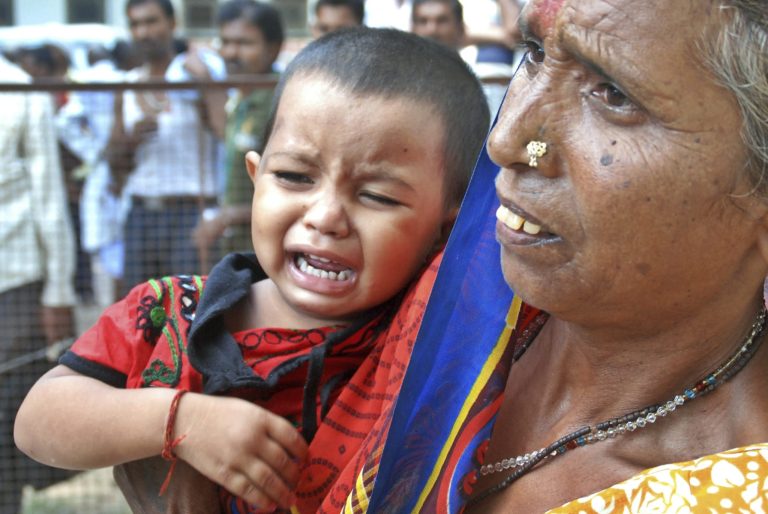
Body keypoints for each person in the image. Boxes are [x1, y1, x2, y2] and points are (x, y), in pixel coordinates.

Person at [14, 27, 490, 514]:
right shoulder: (171, 313)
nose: (324, 216)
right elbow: (37, 419)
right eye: (294, 176)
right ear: (255, 178)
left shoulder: (438, 341)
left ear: (444, 232)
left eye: (377, 196)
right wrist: (179, 421)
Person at [362, 0, 768, 512]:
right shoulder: (461, 284)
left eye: (613, 94)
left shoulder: (729, 492)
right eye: (532, 52)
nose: (507, 138)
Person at [0, 53, 77, 514]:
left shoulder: (19, 89)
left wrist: (58, 291)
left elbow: (49, 197)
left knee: (5, 416)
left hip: (14, 281)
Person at [107, 0, 226, 294]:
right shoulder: (128, 85)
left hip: (190, 210)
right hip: (141, 212)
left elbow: (225, 131)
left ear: (173, 24)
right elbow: (111, 162)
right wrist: (129, 141)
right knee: (141, 311)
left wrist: (206, 85)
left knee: (191, 307)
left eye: (151, 22)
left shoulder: (195, 74)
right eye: (135, 24)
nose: (143, 32)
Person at [192, 0, 284, 261]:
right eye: (226, 42)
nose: (231, 52)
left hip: (271, 250)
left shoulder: (282, 101)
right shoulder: (241, 99)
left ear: (274, 48)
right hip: (239, 245)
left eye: (244, 43)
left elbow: (294, 182)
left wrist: (230, 215)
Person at [411, 0, 513, 118]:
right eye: (423, 21)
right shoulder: (400, 81)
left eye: (442, 20)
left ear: (461, 28)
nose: (432, 30)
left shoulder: (487, 82)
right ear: (412, 28)